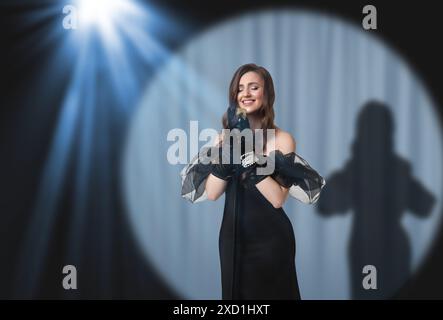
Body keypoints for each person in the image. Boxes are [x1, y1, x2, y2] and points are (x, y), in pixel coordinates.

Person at [181, 63, 326, 299]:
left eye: (254, 87)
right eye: (240, 89)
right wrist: (229, 152)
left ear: (266, 94)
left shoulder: (281, 139)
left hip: (271, 241)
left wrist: (248, 157)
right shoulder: (224, 137)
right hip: (232, 239)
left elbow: (277, 199)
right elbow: (212, 193)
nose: (246, 94)